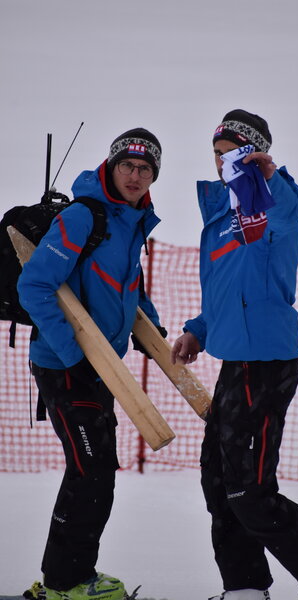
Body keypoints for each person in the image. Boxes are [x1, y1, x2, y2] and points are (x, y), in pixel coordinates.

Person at [171, 110, 298, 600]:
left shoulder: (271, 204)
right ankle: (244, 588)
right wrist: (199, 330)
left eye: (233, 154)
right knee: (219, 484)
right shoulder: (218, 217)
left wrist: (269, 173)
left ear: (253, 153)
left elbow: (292, 212)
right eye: (217, 155)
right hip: (234, 364)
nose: (222, 164)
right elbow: (224, 289)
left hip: (267, 365)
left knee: (249, 491)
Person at [18, 128, 166, 600]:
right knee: (92, 469)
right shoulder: (85, 217)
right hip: (64, 364)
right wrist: (72, 356)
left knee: (98, 469)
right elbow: (35, 286)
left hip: (102, 366)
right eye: (128, 165)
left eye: (146, 169)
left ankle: (72, 576)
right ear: (112, 165)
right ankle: (64, 583)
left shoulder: (131, 222)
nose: (135, 175)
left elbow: (129, 288)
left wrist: (153, 332)